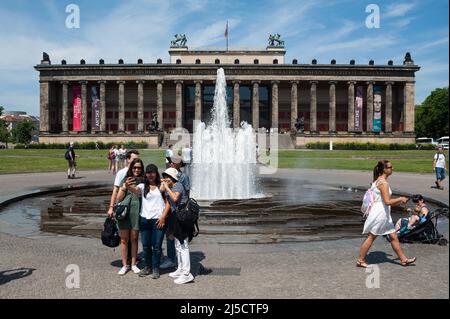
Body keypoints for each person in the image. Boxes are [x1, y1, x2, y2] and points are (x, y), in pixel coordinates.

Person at [357, 160, 416, 268]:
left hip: (383, 213)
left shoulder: (377, 180)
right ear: (384, 169)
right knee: (371, 236)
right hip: (380, 214)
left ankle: (403, 259)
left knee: (393, 236)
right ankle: (360, 260)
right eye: (390, 167)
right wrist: (400, 199)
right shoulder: (383, 183)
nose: (392, 169)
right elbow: (387, 201)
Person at [125, 164, 171, 279]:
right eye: (148, 172)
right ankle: (147, 267)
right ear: (146, 174)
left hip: (158, 220)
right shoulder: (142, 186)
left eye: (153, 172)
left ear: (156, 173)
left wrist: (163, 217)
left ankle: (155, 268)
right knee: (146, 246)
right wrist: (127, 185)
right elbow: (134, 190)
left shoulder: (161, 186)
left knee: (156, 246)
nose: (150, 175)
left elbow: (168, 204)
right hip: (144, 219)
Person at [160, 167, 195, 284]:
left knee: (183, 244)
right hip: (175, 217)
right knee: (177, 244)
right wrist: (164, 186)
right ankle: (180, 268)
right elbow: (163, 194)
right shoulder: (169, 187)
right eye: (164, 177)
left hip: (182, 217)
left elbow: (175, 198)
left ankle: (187, 273)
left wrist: (166, 187)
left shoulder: (178, 185)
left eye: (167, 177)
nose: (165, 179)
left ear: (172, 178)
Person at [112, 158, 145, 275]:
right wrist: (124, 186)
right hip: (124, 212)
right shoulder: (126, 179)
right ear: (131, 168)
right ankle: (125, 265)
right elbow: (119, 198)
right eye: (134, 167)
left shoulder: (144, 180)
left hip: (136, 212)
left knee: (134, 239)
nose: (136, 170)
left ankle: (133, 264)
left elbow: (140, 193)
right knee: (124, 240)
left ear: (142, 169)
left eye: (139, 168)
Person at [107, 149, 140, 265]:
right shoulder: (122, 173)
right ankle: (127, 261)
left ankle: (133, 260)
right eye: (133, 159)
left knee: (134, 237)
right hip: (123, 209)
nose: (136, 162)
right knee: (125, 237)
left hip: (135, 210)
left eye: (137, 159)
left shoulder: (139, 173)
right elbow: (115, 191)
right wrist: (111, 207)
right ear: (127, 160)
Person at [160, 155, 191, 269]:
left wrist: (185, 207)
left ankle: (184, 268)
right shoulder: (168, 176)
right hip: (171, 211)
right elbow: (164, 194)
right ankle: (175, 262)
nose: (171, 164)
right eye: (170, 162)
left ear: (179, 164)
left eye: (173, 163)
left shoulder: (182, 179)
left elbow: (185, 194)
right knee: (173, 238)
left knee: (181, 242)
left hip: (179, 211)